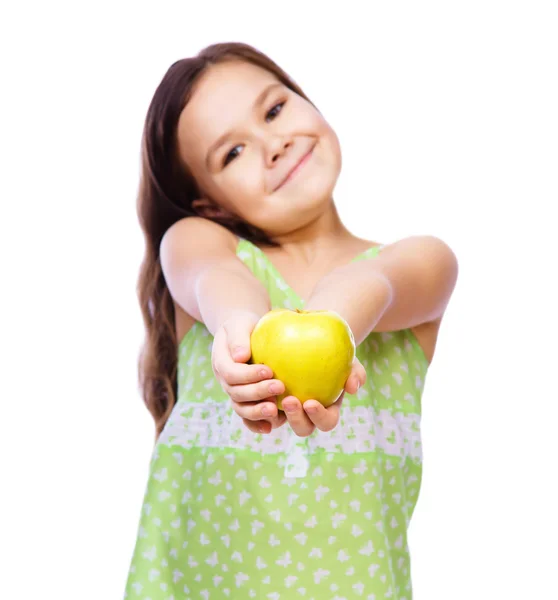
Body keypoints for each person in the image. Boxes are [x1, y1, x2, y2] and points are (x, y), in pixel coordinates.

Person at [124, 41, 458, 599]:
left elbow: (372, 285)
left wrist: (332, 325)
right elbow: (217, 281)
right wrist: (242, 336)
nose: (272, 144)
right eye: (232, 153)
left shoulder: (423, 260)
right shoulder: (198, 242)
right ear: (209, 204)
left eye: (274, 110)